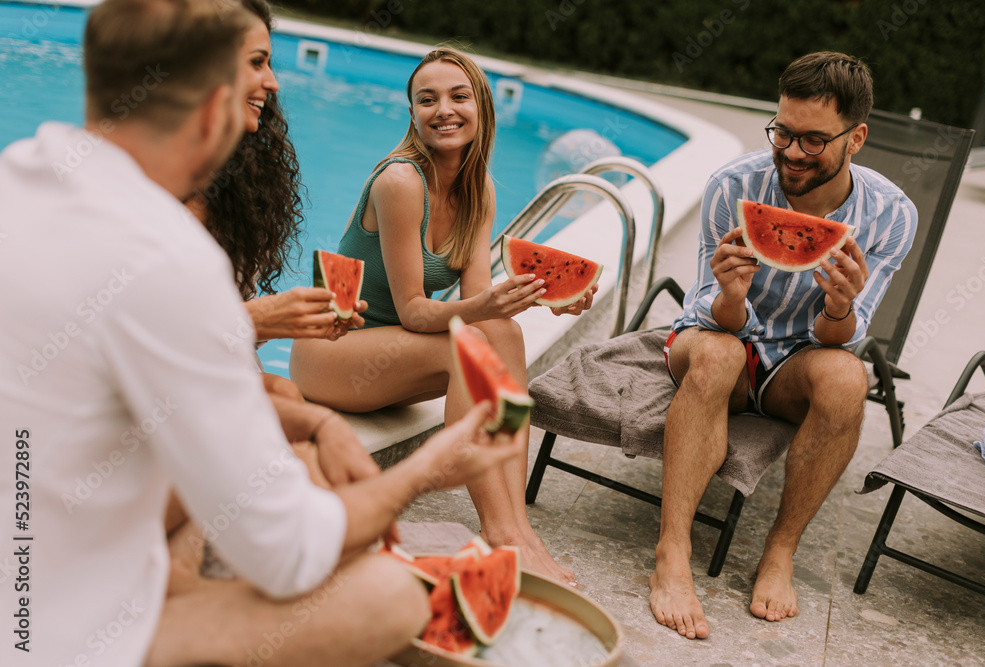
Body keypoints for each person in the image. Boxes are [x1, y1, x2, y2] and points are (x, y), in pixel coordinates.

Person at [0, 2, 520, 666]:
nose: (271, 84)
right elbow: (288, 551)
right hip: (38, 637)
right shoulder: (167, 260)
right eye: (256, 68)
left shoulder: (20, 171)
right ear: (216, 104)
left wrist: (316, 426)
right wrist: (424, 469)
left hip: (39, 556)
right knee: (388, 596)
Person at [289, 46, 596, 586]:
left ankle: (518, 526)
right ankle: (499, 529)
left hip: (393, 356)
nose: (443, 109)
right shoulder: (400, 182)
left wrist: (544, 295)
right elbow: (414, 311)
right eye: (426, 99)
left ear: (481, 106)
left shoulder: (480, 190)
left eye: (459, 96)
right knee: (473, 343)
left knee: (505, 332)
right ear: (412, 113)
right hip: (332, 351)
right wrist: (488, 307)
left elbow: (479, 299)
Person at [648, 51, 917, 639]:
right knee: (719, 352)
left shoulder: (892, 215)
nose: (792, 152)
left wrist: (840, 306)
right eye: (783, 132)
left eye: (813, 140)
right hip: (718, 336)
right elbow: (712, 315)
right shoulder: (733, 184)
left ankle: (780, 550)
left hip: (801, 357)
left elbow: (841, 340)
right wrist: (731, 293)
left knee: (850, 380)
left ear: (857, 137)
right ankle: (672, 550)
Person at [184, 0, 362, 401]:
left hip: (218, 368)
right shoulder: (147, 185)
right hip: (159, 385)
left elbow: (225, 328)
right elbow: (145, 334)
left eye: (269, 63)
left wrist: (291, 320)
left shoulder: (240, 188)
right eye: (257, 62)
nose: (273, 82)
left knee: (289, 400)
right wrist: (262, 318)